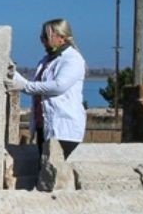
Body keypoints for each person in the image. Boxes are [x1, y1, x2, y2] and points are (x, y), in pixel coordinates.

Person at [8, 17, 86, 157]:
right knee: (43, 169)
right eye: (42, 37)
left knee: (53, 171)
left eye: (46, 36)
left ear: (61, 37)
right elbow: (38, 85)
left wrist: (25, 86)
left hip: (63, 128)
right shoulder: (46, 60)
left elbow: (58, 86)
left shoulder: (73, 59)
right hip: (43, 126)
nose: (42, 40)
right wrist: (15, 76)